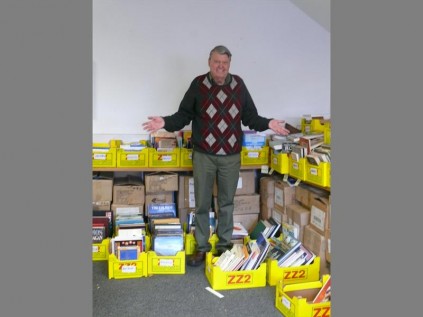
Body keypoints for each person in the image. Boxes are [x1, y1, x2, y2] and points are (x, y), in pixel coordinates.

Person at [143, 45, 290, 266]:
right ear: (209, 62)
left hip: (231, 156)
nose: (220, 67)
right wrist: (165, 121)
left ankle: (223, 247)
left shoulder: (238, 85)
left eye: (224, 63)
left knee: (226, 203)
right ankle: (202, 248)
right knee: (202, 204)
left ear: (229, 64)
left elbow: (250, 116)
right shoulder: (198, 85)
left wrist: (268, 123)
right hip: (204, 155)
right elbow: (183, 115)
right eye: (216, 62)